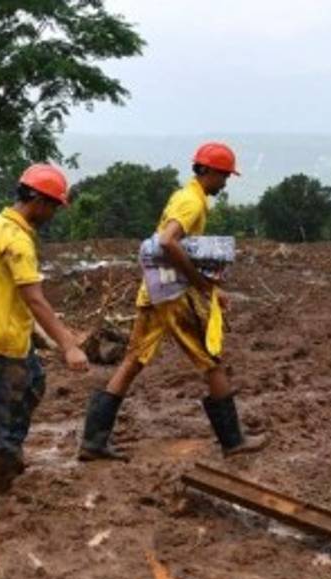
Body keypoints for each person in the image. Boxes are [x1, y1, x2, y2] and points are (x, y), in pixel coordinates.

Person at [78, 143, 268, 461]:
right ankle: (233, 441)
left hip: (154, 291)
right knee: (210, 360)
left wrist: (210, 288)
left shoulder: (184, 196)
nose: (225, 182)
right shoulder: (192, 202)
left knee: (133, 359)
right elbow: (168, 241)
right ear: (208, 171)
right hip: (173, 296)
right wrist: (199, 282)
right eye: (223, 175)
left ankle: (92, 441)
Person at [0, 163, 90, 498]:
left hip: (1, 335)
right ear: (38, 201)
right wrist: (68, 345)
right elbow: (35, 299)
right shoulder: (18, 241)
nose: (53, 214)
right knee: (8, 432)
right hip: (5, 344)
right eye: (53, 206)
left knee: (34, 386)